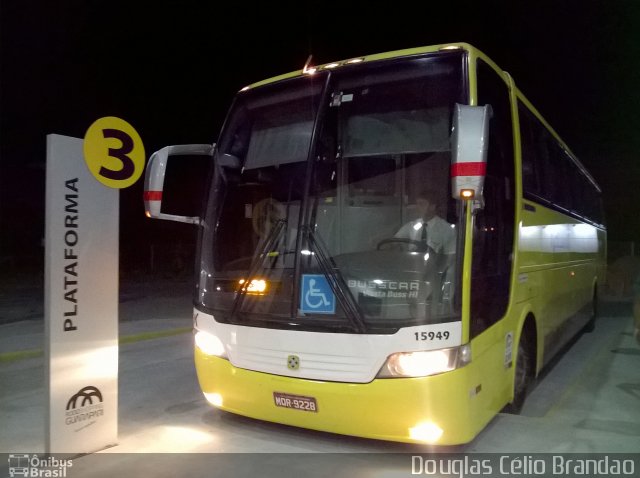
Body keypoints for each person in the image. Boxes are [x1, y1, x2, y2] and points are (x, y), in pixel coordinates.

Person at [394, 189, 456, 255]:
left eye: (422, 204)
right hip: (411, 263)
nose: (417, 207)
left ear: (432, 207)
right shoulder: (411, 226)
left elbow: (450, 256)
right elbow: (394, 241)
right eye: (417, 204)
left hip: (435, 264)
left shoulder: (446, 229)